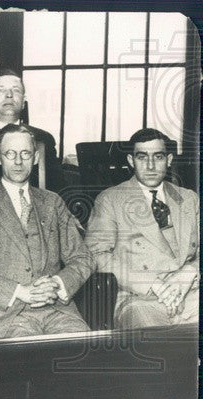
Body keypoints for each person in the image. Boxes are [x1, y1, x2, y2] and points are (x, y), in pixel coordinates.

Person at [0, 124, 92, 339]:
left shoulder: (52, 202)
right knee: (29, 359)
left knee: (82, 352)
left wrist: (57, 284)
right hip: (6, 315)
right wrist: (18, 291)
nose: (18, 161)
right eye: (10, 153)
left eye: (25, 153)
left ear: (35, 158)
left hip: (58, 310)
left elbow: (83, 257)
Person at [85, 128, 199, 329]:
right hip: (139, 298)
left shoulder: (189, 198)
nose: (151, 165)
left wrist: (190, 272)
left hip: (190, 292)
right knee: (155, 347)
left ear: (169, 160)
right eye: (142, 157)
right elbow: (96, 255)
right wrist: (152, 284)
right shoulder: (110, 200)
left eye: (158, 156)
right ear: (131, 160)